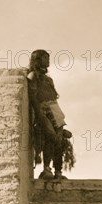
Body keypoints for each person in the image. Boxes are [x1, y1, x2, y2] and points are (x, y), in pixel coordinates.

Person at [27, 49, 74, 179]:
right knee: (50, 138)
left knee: (59, 140)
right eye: (45, 58)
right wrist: (40, 115)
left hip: (55, 111)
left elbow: (54, 98)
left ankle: (58, 172)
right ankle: (47, 169)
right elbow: (33, 98)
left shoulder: (48, 80)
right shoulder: (32, 76)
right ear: (38, 59)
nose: (48, 60)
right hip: (44, 111)